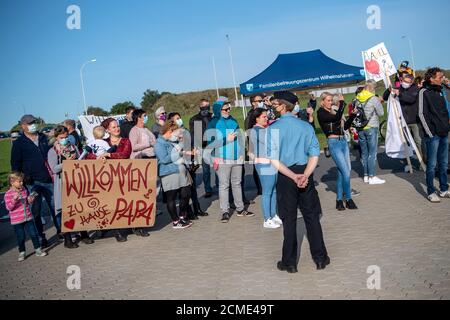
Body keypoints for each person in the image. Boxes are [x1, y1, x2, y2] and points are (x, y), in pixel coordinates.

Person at [267, 91, 329, 273]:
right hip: (305, 172)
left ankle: (289, 262)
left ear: (283, 105)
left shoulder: (274, 128)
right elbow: (314, 153)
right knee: (312, 217)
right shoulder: (305, 126)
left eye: (276, 104)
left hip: (287, 176)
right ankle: (320, 258)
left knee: (289, 220)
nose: (274, 107)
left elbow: (274, 159)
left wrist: (293, 177)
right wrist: (306, 175)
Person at [86, 118, 139, 241]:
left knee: (129, 202)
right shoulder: (102, 142)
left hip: (124, 176)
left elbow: (125, 154)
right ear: (108, 130)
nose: (117, 129)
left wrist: (108, 155)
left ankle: (136, 226)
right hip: (108, 179)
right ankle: (117, 231)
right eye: (113, 127)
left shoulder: (125, 141)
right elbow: (89, 155)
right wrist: (98, 158)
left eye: (117, 126)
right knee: (112, 204)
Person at [11, 115, 59, 248]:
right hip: (32, 183)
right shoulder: (18, 143)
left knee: (55, 208)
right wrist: (20, 182)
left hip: (49, 179)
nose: (33, 124)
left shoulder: (44, 138)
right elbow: (15, 164)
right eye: (30, 123)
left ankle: (62, 232)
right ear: (23, 126)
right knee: (35, 212)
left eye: (34, 122)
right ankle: (40, 238)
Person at [206, 98, 254, 223]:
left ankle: (240, 209)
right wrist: (226, 139)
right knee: (224, 185)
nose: (228, 111)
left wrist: (242, 153)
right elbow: (210, 143)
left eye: (229, 108)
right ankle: (225, 211)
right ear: (218, 109)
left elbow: (240, 137)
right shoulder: (213, 123)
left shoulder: (233, 120)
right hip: (222, 158)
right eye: (225, 109)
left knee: (237, 184)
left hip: (237, 158)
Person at [47, 125, 94, 248]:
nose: (65, 139)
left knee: (79, 209)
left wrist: (79, 161)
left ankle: (84, 235)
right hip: (63, 185)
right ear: (56, 138)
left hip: (76, 183)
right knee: (66, 212)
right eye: (62, 137)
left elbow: (80, 160)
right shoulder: (53, 151)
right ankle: (68, 239)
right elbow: (54, 169)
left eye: (66, 136)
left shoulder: (73, 147)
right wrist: (66, 163)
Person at [317, 93, 358, 211]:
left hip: (343, 142)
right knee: (346, 172)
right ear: (323, 101)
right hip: (333, 143)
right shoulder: (321, 113)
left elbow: (345, 127)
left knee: (342, 172)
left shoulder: (334, 112)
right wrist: (342, 104)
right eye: (328, 100)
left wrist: (352, 116)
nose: (331, 102)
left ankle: (339, 200)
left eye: (331, 100)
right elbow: (335, 119)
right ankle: (349, 199)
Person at [155, 120, 195, 229]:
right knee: (171, 198)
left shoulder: (173, 141)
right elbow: (164, 159)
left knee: (186, 194)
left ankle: (182, 216)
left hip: (181, 170)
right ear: (169, 131)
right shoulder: (159, 143)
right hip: (169, 172)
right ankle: (175, 221)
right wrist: (180, 153)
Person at [418, 67, 450, 203]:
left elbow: (444, 111)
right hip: (433, 135)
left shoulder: (441, 91)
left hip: (444, 133)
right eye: (440, 77)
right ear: (431, 79)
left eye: (443, 76)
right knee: (432, 164)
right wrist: (430, 133)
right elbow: (421, 114)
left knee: (443, 163)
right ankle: (431, 191)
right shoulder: (424, 92)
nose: (442, 79)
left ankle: (443, 189)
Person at [168, 112, 208, 219]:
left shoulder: (185, 130)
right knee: (185, 191)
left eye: (180, 117)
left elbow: (191, 143)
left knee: (193, 188)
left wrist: (194, 149)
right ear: (172, 121)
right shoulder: (172, 133)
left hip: (190, 161)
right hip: (181, 163)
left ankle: (197, 208)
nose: (180, 119)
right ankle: (188, 211)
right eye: (177, 118)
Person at [248, 108, 282, 229]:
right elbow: (271, 141)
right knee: (267, 192)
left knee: (273, 190)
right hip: (263, 164)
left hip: (271, 163)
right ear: (257, 118)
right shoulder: (256, 130)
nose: (266, 118)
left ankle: (273, 215)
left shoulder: (264, 129)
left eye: (266, 116)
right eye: (264, 117)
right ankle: (267, 219)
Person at [5, 172, 48, 261]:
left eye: (22, 181)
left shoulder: (24, 190)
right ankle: (22, 252)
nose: (22, 183)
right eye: (19, 181)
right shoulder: (8, 194)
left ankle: (38, 250)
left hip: (28, 217)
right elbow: (9, 207)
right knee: (21, 237)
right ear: (12, 182)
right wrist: (14, 200)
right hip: (17, 220)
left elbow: (26, 203)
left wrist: (30, 200)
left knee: (33, 234)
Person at [383, 73, 424, 166]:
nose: (404, 83)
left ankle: (423, 161)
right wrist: (388, 90)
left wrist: (400, 94)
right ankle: (407, 163)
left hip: (414, 120)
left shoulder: (415, 89)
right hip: (402, 121)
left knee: (418, 141)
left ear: (411, 82)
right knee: (405, 143)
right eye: (403, 81)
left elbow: (410, 99)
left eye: (407, 82)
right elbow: (385, 97)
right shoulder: (399, 88)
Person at [356, 81, 386, 185]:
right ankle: (372, 176)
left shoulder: (357, 98)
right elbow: (381, 112)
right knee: (372, 153)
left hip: (360, 128)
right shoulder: (373, 98)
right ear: (373, 88)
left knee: (364, 153)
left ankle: (365, 175)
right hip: (371, 127)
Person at [189, 99, 216, 198]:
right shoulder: (195, 119)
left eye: (208, 107)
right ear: (200, 107)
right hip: (204, 147)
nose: (206, 109)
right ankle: (208, 189)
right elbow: (194, 134)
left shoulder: (212, 116)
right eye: (204, 107)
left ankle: (219, 186)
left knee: (218, 167)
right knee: (206, 170)